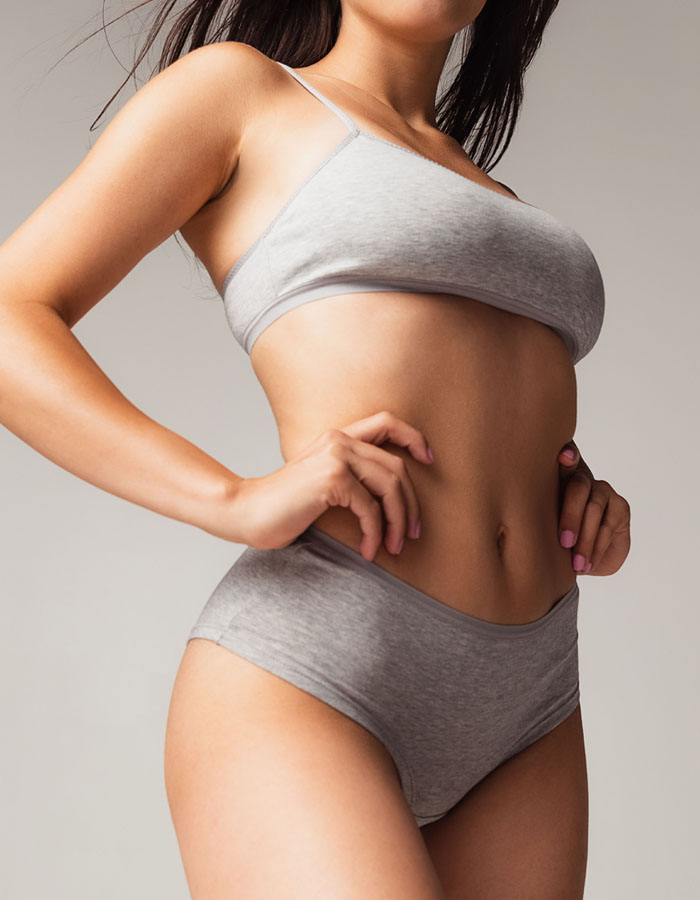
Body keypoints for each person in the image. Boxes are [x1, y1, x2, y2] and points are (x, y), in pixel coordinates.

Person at [0, 1, 632, 897]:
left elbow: (475, 390)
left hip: (529, 700)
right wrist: (229, 498)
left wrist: (574, 493)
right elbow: (10, 313)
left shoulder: (488, 190)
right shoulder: (243, 94)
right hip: (318, 667)